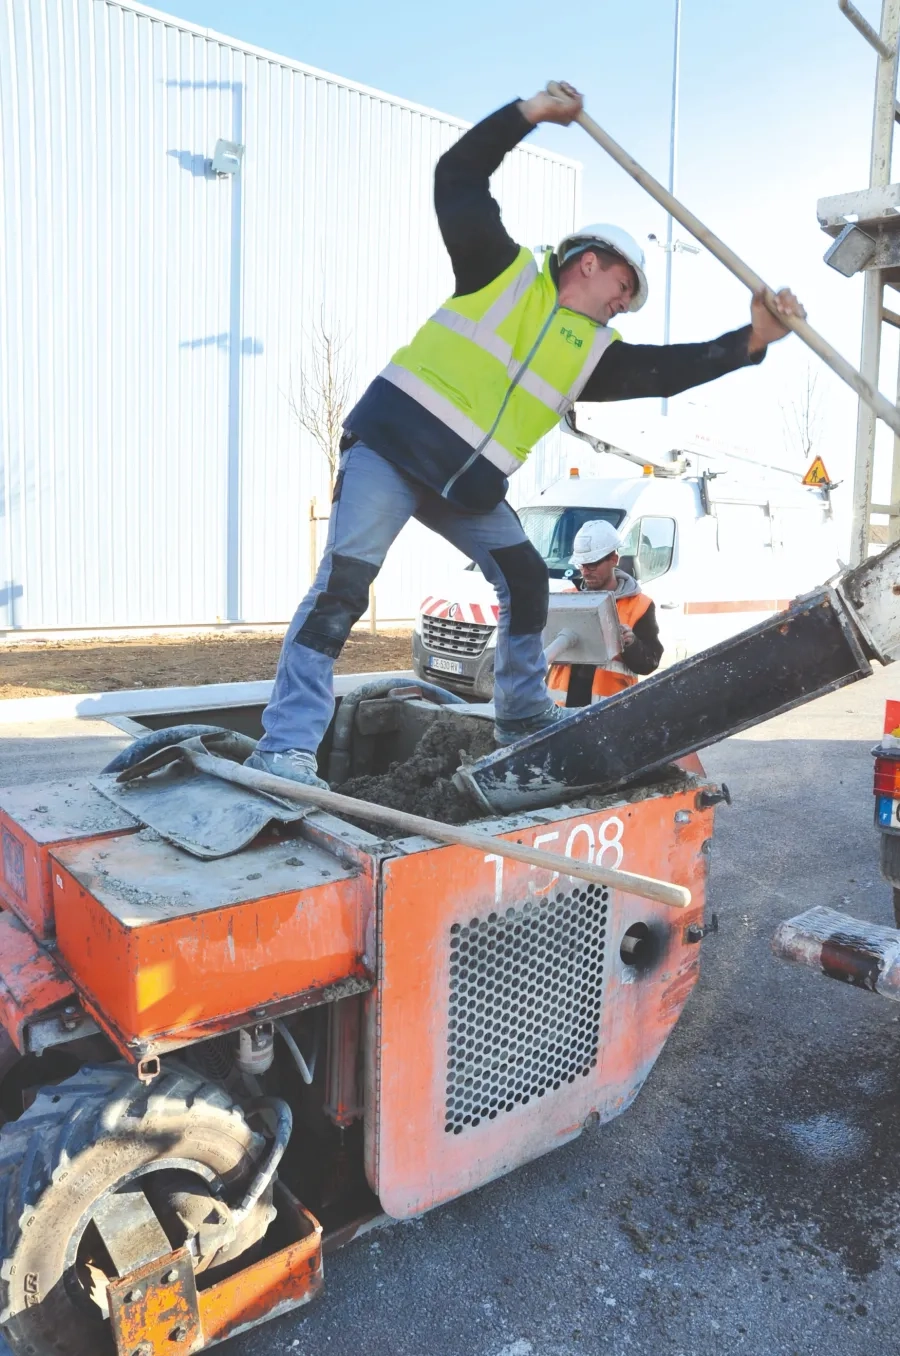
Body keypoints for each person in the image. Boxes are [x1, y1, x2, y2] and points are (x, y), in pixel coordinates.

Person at [249, 81, 807, 788]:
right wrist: (529, 115)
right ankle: (287, 746)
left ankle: (520, 712)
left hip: (466, 485)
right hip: (392, 447)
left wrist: (750, 338)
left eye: (630, 302)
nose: (623, 305)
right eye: (624, 288)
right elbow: (457, 175)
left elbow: (670, 370)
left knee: (523, 578)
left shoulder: (591, 353)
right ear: (589, 262)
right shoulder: (499, 269)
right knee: (344, 587)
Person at [547, 520, 662, 707]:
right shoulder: (567, 600)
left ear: (614, 560)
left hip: (609, 713)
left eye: (592, 565)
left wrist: (631, 644)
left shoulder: (640, 605)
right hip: (560, 711)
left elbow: (650, 663)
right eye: (582, 565)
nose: (586, 572)